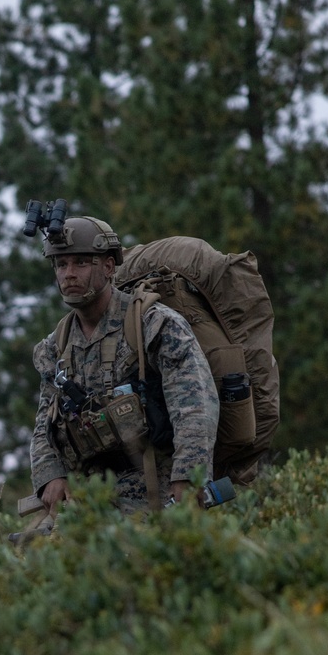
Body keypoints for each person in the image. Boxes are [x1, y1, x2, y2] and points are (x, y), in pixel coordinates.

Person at [29, 215, 219, 518]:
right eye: (61, 264)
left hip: (157, 491)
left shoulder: (154, 324)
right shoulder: (56, 347)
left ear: (107, 266)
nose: (68, 274)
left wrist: (188, 478)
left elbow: (195, 407)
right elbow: (45, 425)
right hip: (90, 496)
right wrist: (49, 476)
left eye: (80, 263)